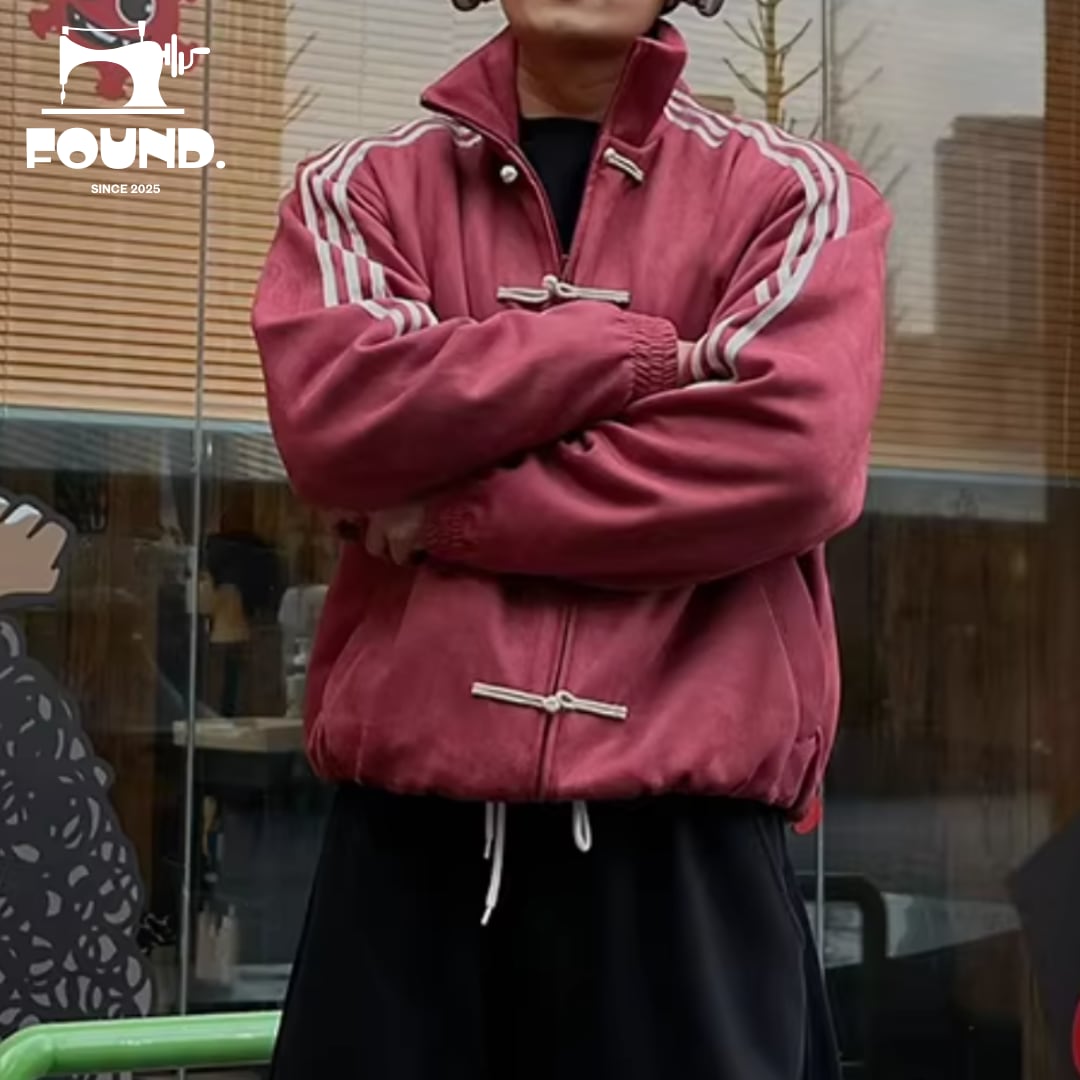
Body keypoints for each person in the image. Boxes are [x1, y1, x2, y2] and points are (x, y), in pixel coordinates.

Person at [251, 0, 892, 1073]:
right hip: (407, 861)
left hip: (684, 861)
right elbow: (342, 416)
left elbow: (789, 457)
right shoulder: (360, 191)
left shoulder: (796, 194)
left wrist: (449, 513)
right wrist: (631, 352)